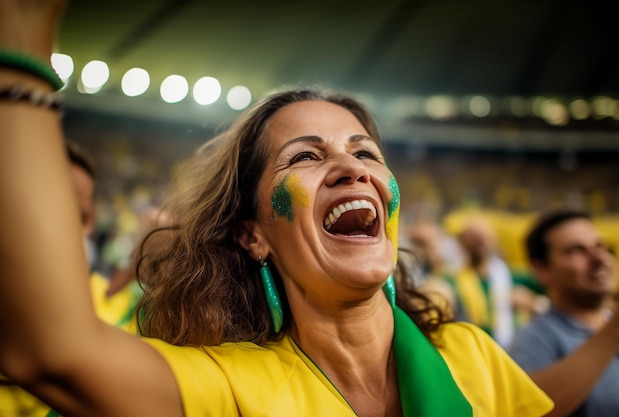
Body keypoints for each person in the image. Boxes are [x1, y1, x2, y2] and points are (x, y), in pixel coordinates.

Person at [0, 1, 554, 416]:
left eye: (365, 151)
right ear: (252, 234)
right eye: (305, 156)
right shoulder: (227, 388)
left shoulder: (474, 357)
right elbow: (52, 352)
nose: (352, 167)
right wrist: (22, 35)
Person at [0, 141, 142, 417]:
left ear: (89, 223)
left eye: (78, 215)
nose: (59, 227)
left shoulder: (120, 308)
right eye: (45, 207)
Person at [508, 209, 619, 417]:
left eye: (600, 246)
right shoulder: (534, 339)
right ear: (541, 269)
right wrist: (617, 329)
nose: (599, 258)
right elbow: (525, 410)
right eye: (576, 250)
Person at [445, 217, 518, 348]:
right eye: (476, 239)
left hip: (506, 347)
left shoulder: (504, 274)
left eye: (486, 238)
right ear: (463, 242)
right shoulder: (453, 277)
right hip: (471, 346)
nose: (482, 243)